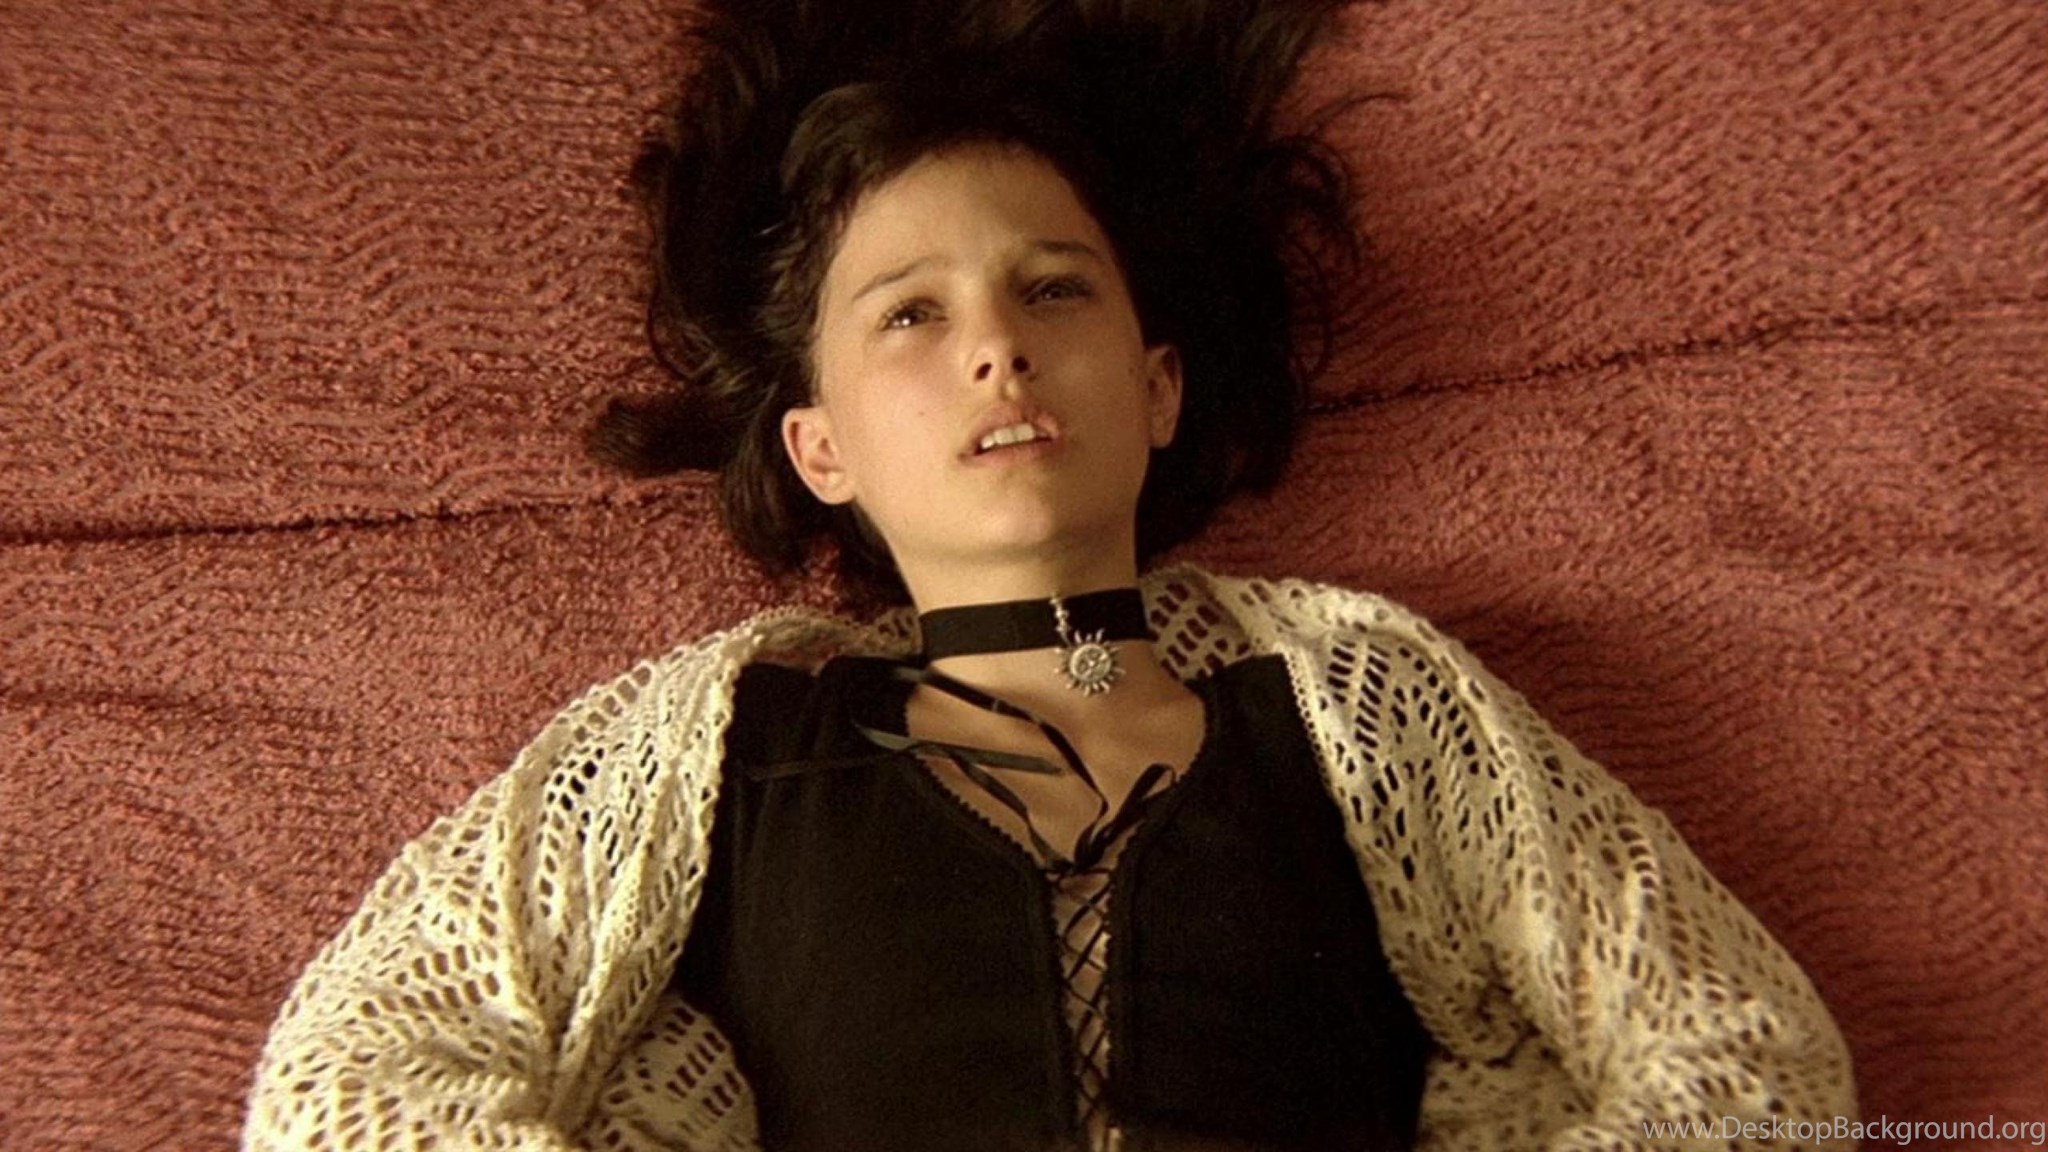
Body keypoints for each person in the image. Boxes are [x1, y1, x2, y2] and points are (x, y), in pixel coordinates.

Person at [242, 1, 1858, 1149]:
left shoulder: (1361, 711)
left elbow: (1747, 1057)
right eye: (911, 313)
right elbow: (352, 1081)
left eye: (1054, 290)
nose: (998, 349)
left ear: (1158, 389)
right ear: (822, 447)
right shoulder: (718, 752)